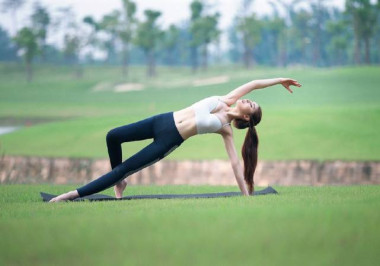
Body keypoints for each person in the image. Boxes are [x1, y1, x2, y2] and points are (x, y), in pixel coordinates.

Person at [49, 77, 301, 202]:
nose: (248, 100)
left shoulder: (225, 129)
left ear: (247, 118)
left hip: (168, 141)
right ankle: (120, 179)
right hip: (162, 120)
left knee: (125, 168)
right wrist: (280, 80)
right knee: (113, 136)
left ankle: (70, 195)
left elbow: (236, 164)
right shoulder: (228, 99)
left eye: (252, 105)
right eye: (251, 100)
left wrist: (246, 196)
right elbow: (255, 83)